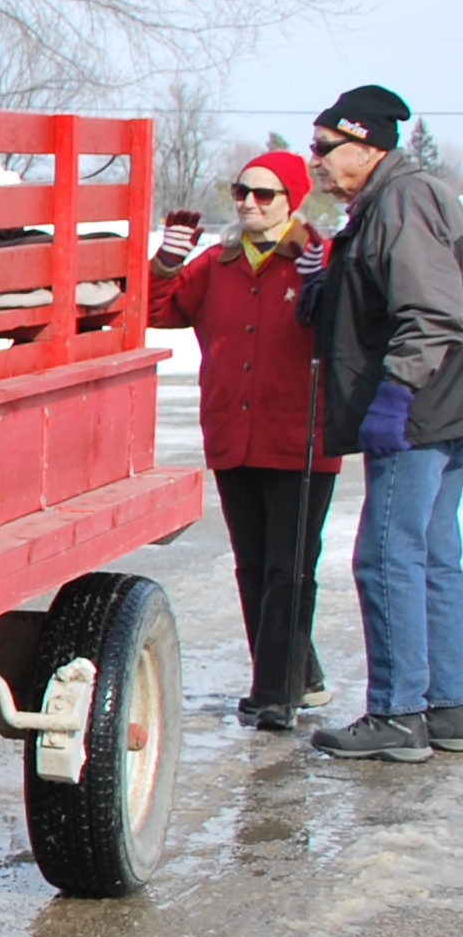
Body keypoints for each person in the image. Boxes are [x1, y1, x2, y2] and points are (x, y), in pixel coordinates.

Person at [299, 85, 463, 763]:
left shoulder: (404, 198)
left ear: (368, 147)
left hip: (418, 407)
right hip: (438, 403)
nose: (315, 161)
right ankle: (448, 707)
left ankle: (397, 714)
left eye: (325, 148)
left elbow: (430, 309)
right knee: (430, 554)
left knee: (387, 557)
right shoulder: (383, 203)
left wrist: (396, 394)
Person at [151, 152, 339, 729]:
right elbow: (157, 311)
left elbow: (352, 329)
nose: (249, 204)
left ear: (293, 201)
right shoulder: (217, 264)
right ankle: (298, 673)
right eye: (242, 192)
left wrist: (325, 290)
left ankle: (275, 694)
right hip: (234, 433)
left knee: (291, 567)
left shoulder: (321, 259)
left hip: (298, 439)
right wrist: (165, 263)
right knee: (253, 566)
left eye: (264, 195)